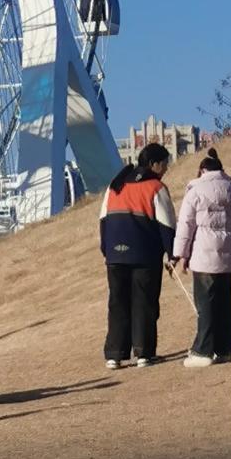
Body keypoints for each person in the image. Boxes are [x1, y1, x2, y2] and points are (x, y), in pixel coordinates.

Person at [98, 141, 176, 369]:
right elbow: (167, 224)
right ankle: (144, 352)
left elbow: (103, 221)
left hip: (115, 256)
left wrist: (107, 250)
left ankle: (114, 353)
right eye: (165, 164)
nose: (166, 169)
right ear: (154, 164)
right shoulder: (155, 187)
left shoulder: (116, 185)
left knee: (117, 303)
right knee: (145, 303)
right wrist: (172, 254)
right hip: (144, 255)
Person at [172, 149, 231, 367]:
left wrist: (181, 255)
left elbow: (186, 225)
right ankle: (224, 348)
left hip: (204, 255)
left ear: (202, 170)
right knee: (225, 302)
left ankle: (202, 351)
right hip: (230, 254)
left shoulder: (195, 191)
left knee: (205, 303)